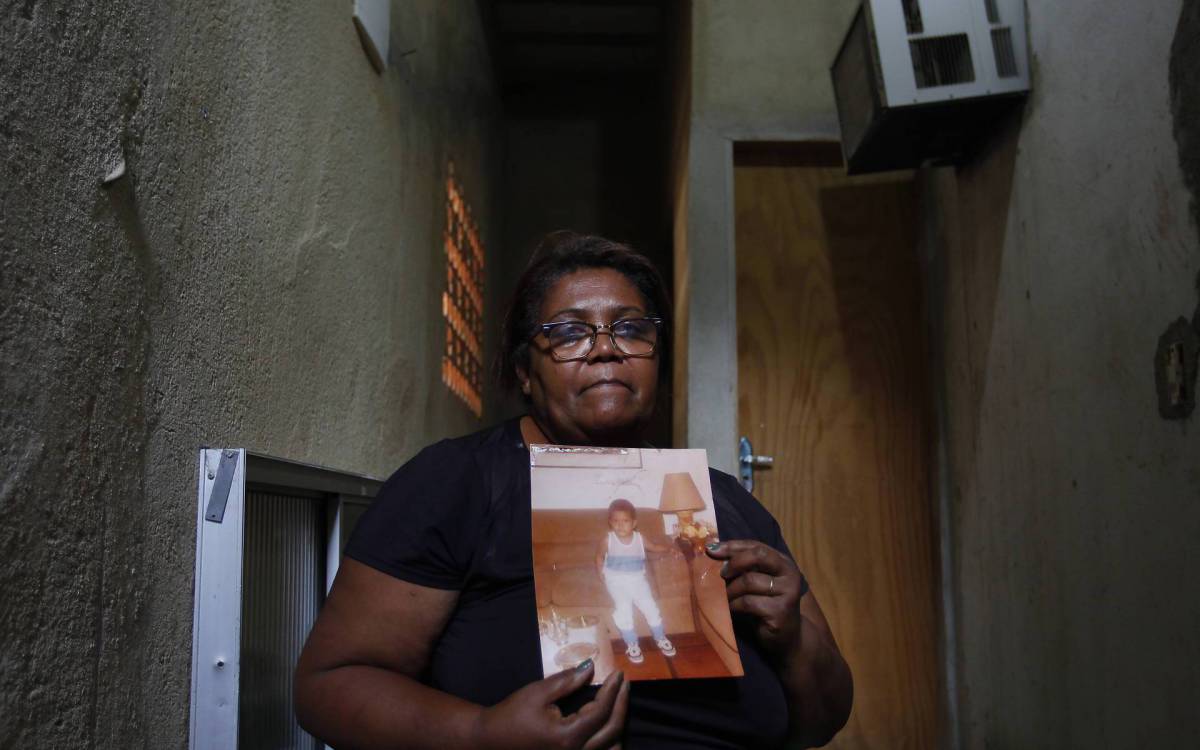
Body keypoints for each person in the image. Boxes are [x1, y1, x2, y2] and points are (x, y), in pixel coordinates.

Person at [294, 231, 853, 749]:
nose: (605, 347)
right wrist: (479, 734)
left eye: (631, 328)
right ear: (524, 372)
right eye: (568, 332)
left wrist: (794, 640)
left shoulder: (722, 499)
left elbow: (821, 721)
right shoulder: (458, 482)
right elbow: (328, 686)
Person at [596, 499, 676, 664]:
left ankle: (660, 637)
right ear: (610, 523)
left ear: (634, 523)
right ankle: (632, 643)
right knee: (623, 608)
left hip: (637, 580)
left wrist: (668, 548)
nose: (620, 525)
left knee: (650, 606)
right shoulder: (608, 540)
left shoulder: (640, 538)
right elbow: (599, 557)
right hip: (616, 580)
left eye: (625, 521)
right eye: (616, 521)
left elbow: (654, 547)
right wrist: (601, 574)